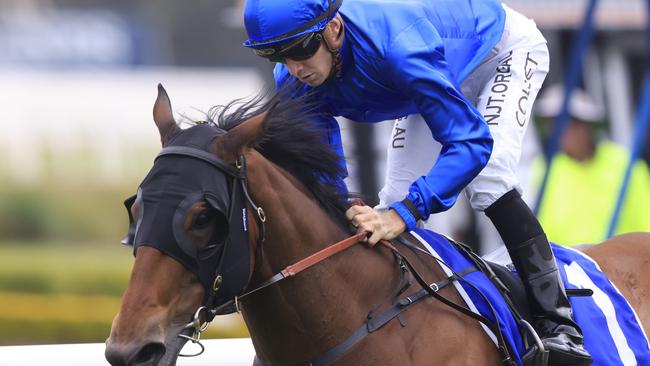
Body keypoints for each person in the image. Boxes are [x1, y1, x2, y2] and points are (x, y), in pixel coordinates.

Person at [242, 0, 590, 364]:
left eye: (301, 49)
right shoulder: (295, 80)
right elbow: (325, 176)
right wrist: (346, 207)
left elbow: (471, 144)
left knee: (488, 177)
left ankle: (559, 322)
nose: (295, 67)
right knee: (390, 199)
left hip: (498, 53)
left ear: (333, 28)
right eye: (278, 56)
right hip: (432, 69)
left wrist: (405, 213)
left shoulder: (398, 49)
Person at [534, 85, 650, 245]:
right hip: (570, 266)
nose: (562, 130)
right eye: (552, 123)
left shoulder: (626, 164)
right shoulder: (545, 167)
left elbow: (645, 221)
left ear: (589, 125)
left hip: (625, 264)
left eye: (572, 122)